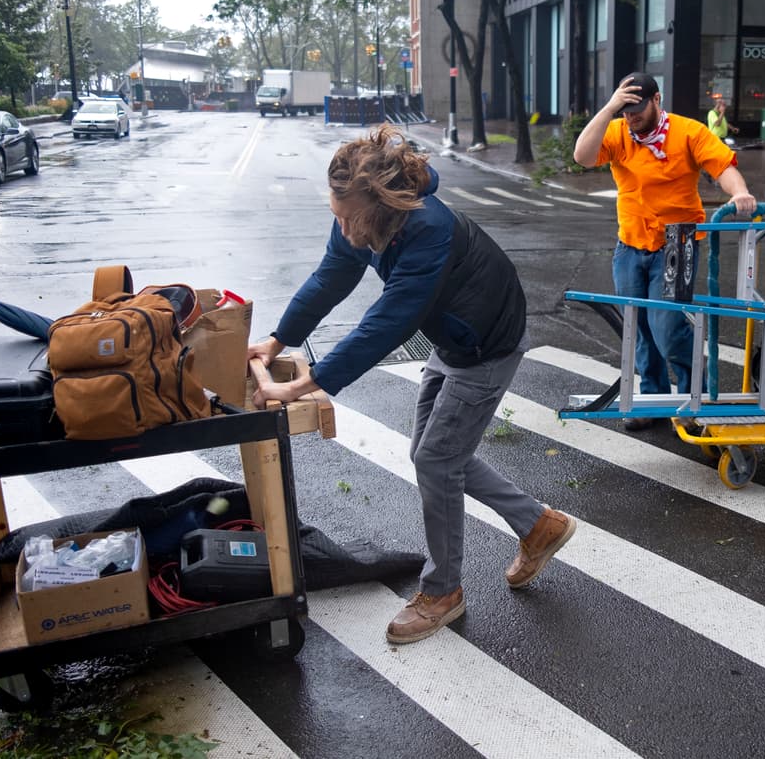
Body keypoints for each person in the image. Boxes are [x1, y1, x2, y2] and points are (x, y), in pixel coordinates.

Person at [247, 125, 577, 645]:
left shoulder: (429, 230)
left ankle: (443, 592)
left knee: (436, 459)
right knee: (436, 453)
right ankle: (539, 526)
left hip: (486, 347)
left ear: (380, 205)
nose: (343, 227)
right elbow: (332, 275)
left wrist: (310, 381)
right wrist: (278, 338)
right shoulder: (360, 217)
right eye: (336, 214)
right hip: (453, 341)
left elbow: (389, 321)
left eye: (348, 217)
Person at [573, 72, 758, 430]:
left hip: (677, 244)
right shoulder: (618, 133)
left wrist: (739, 193)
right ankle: (654, 400)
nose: (632, 117)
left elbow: (723, 165)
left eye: (638, 109)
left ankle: (693, 400)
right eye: (627, 111)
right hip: (630, 245)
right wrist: (611, 106)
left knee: (668, 329)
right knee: (639, 327)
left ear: (657, 100)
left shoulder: (687, 132)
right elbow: (582, 156)